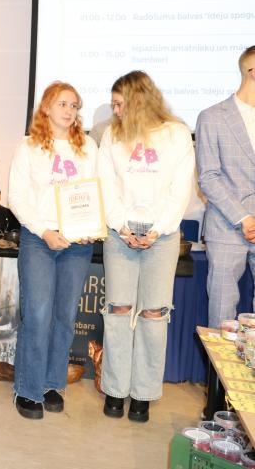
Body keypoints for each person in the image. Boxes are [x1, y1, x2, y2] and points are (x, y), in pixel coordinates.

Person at [98, 70, 195, 423]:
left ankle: (143, 394)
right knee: (118, 311)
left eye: (119, 103)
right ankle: (115, 389)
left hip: (162, 237)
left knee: (154, 315)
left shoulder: (176, 134)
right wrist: (121, 226)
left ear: (138, 99)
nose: (115, 110)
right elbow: (105, 185)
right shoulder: (112, 135)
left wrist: (157, 230)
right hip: (119, 233)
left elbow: (179, 190)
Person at [7, 82, 98, 419]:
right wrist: (44, 231)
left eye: (74, 105)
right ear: (46, 107)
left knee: (64, 316)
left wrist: (89, 229)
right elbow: (16, 197)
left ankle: (50, 384)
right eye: (62, 104)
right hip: (39, 239)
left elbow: (95, 192)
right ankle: (27, 389)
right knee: (38, 315)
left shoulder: (88, 146)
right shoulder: (29, 146)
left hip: (76, 243)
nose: (69, 111)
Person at [197, 45, 255, 328]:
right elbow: (208, 176)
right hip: (226, 226)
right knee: (221, 315)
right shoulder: (212, 116)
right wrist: (243, 217)